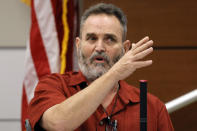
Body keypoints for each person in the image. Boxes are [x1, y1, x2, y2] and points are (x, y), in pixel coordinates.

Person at [27, 3, 174, 131]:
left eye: (109, 39)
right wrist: (114, 74)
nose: (99, 47)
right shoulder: (53, 85)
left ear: (125, 49)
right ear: (78, 45)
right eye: (92, 38)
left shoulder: (153, 108)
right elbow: (58, 123)